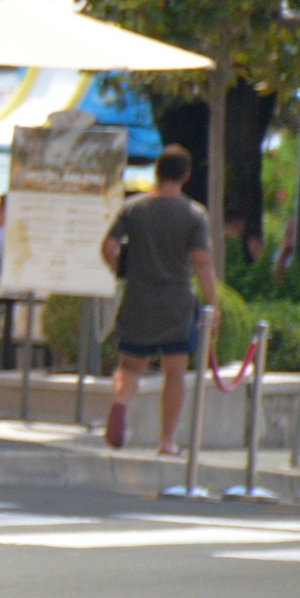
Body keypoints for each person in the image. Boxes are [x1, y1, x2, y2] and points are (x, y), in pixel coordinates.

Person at [100, 144, 216, 455]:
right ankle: (167, 441)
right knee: (174, 371)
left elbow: (109, 246)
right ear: (187, 176)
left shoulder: (133, 208)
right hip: (176, 300)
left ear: (156, 171)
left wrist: (120, 269)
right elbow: (202, 261)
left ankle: (121, 401)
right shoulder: (194, 214)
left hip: (138, 296)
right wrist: (212, 304)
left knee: (131, 365)